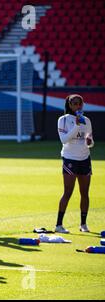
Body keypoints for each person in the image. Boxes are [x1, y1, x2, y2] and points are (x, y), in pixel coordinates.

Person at [55, 94, 94, 233]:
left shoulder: (87, 120)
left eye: (80, 103)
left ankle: (83, 224)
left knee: (85, 193)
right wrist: (77, 126)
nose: (78, 106)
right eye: (75, 103)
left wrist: (90, 142)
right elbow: (64, 139)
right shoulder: (63, 120)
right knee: (68, 192)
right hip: (70, 159)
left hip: (85, 159)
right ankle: (59, 225)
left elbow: (90, 139)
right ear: (69, 105)